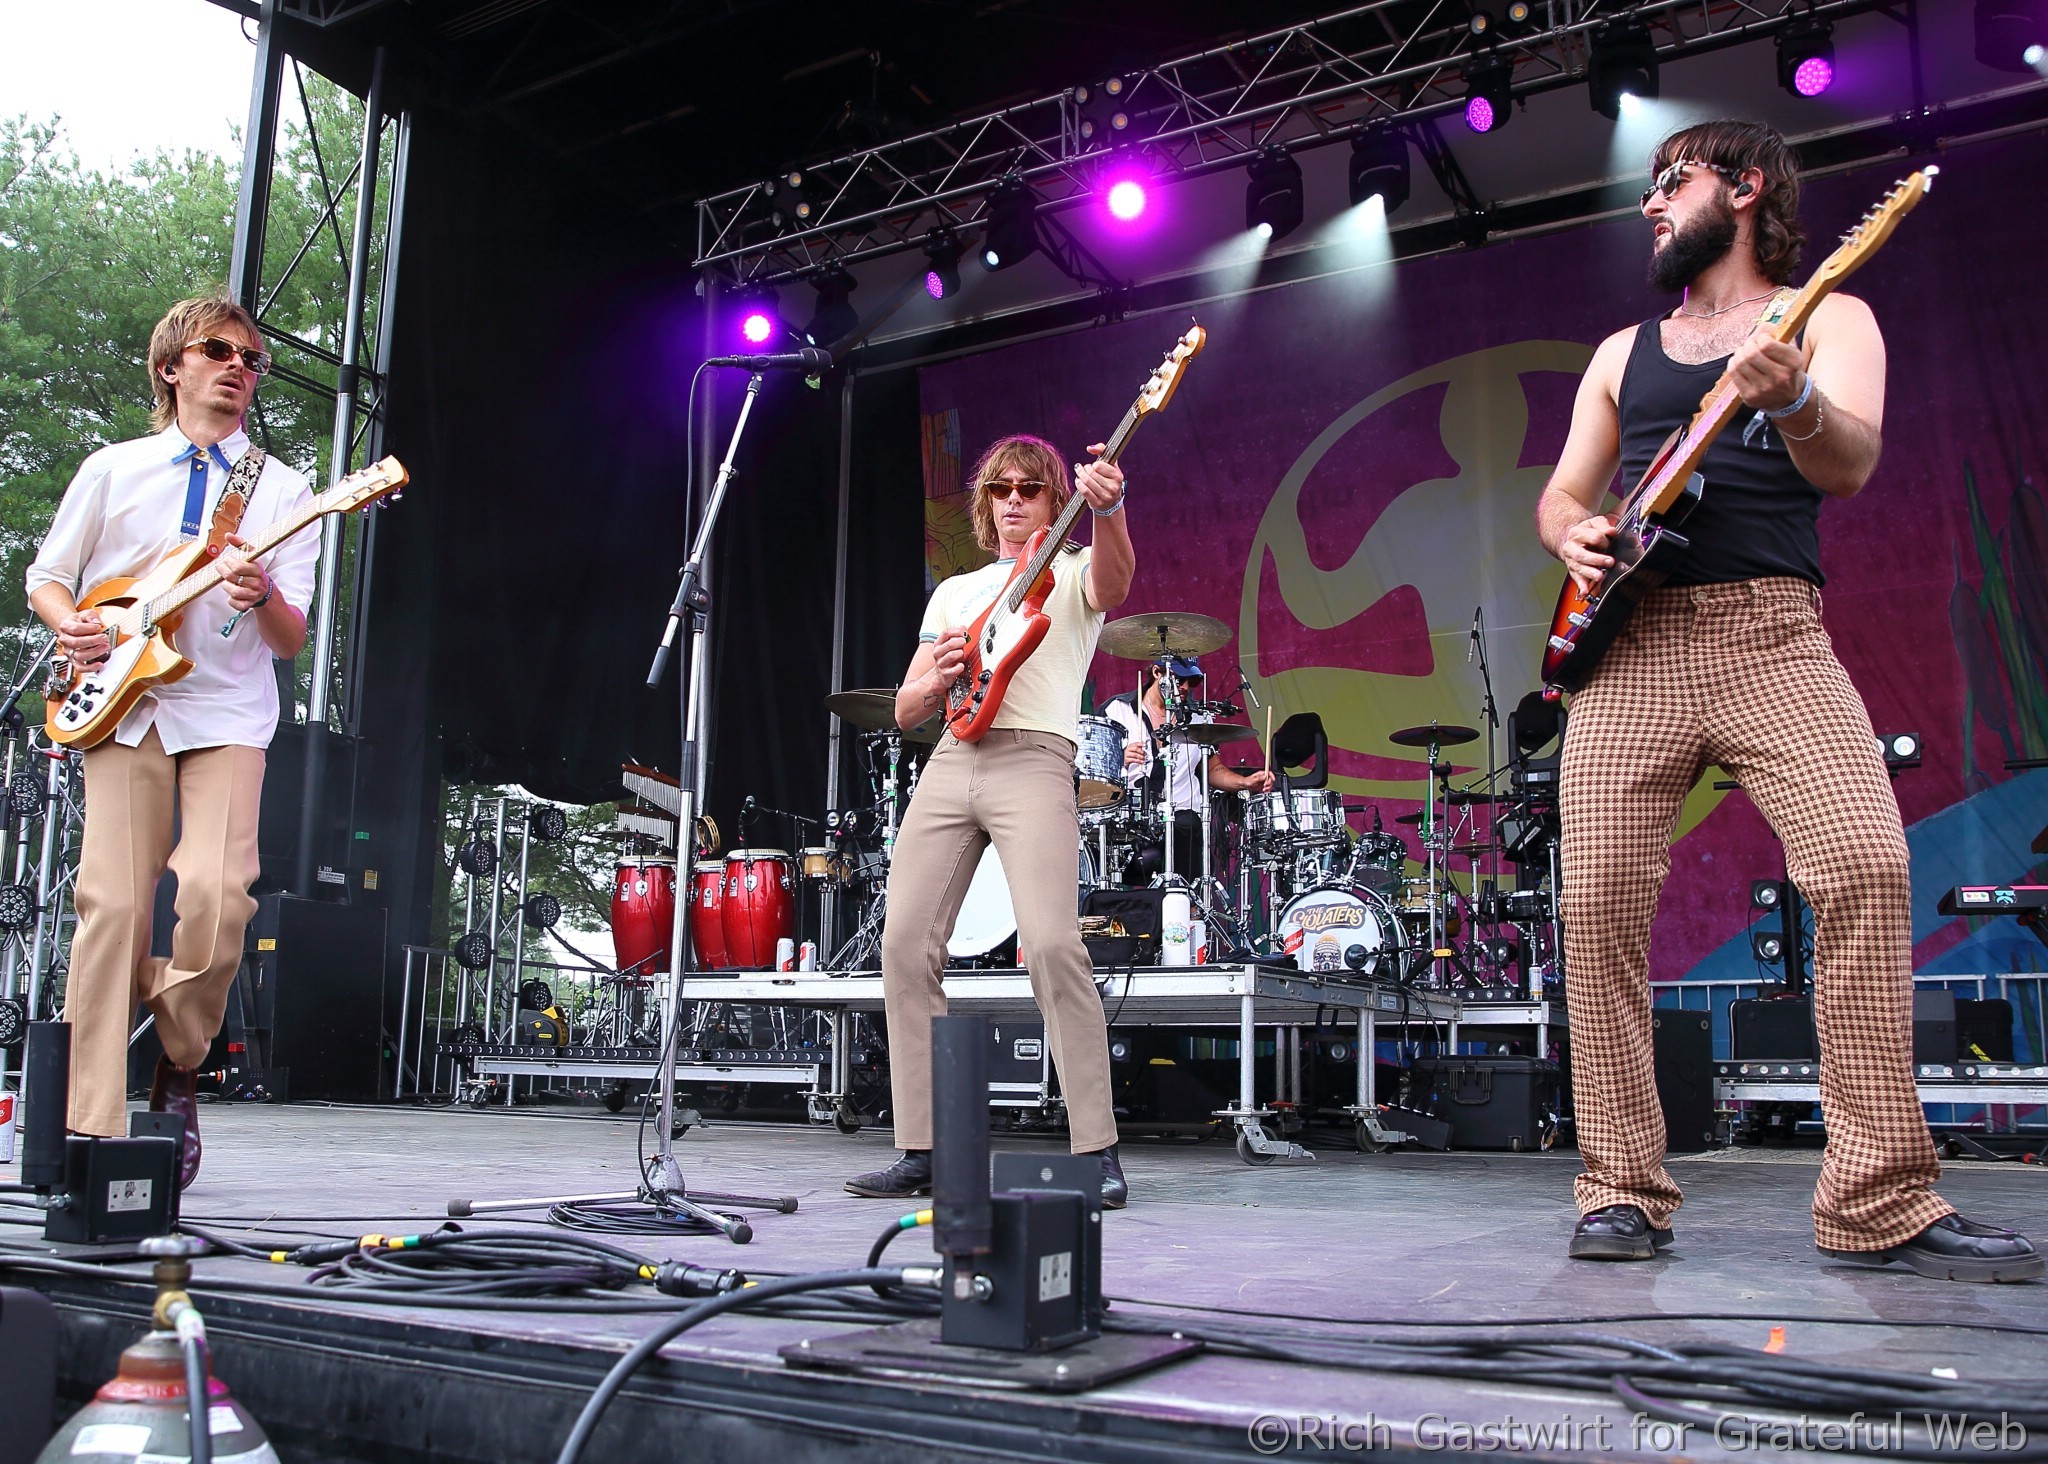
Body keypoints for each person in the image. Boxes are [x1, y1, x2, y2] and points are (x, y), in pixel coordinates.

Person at [1534, 120, 2039, 1280]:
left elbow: (1846, 463)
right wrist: (1575, 536)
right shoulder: (1620, 351)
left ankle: (1875, 1200)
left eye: (1675, 181)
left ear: (1746, 186)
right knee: (1598, 905)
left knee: (1864, 869)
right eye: (1649, 187)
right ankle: (1618, 1188)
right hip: (1630, 651)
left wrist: (1792, 391)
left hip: (1772, 636)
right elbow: (1562, 494)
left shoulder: (1828, 315)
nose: (1651, 202)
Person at [27, 293, 316, 1187]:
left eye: (252, 359)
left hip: (227, 713)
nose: (239, 367)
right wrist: (73, 625)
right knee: (111, 906)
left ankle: (180, 1056)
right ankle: (86, 1129)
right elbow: (48, 578)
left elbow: (293, 638)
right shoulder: (114, 469)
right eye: (219, 350)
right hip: (122, 708)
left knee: (220, 900)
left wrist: (260, 593)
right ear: (172, 366)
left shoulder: (283, 489)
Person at [846, 433, 1134, 1207]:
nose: (1014, 500)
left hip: (1035, 757)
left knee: (1049, 943)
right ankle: (926, 1147)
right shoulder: (954, 594)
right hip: (950, 761)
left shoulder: (1069, 571)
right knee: (904, 943)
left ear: (1051, 501)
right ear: (985, 504)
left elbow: (1115, 580)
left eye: (1030, 490)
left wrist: (1111, 511)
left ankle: (1096, 1147)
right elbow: (905, 709)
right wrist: (935, 677)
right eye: (1001, 489)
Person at [1099, 656, 1273, 885]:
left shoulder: (1199, 718)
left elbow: (1214, 769)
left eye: (1192, 682)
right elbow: (1092, 767)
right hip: (1129, 815)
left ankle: (1189, 910)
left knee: (1188, 825)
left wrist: (1245, 783)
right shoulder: (1117, 710)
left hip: (1182, 814)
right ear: (1156, 673)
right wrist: (1118, 759)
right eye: (1179, 679)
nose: (1185, 688)